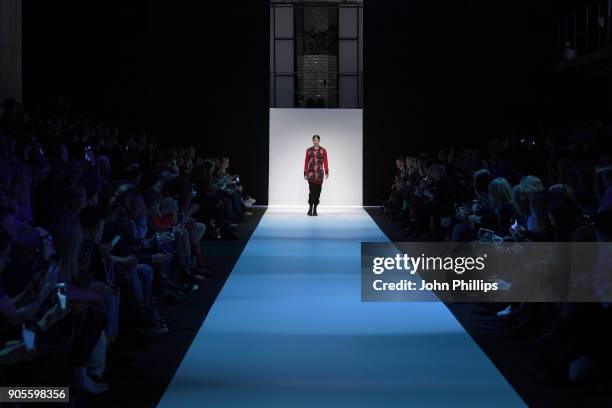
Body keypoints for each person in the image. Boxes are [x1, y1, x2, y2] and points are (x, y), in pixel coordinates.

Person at [303, 135, 329, 216]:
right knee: (312, 191)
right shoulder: (309, 150)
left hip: (320, 174)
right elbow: (306, 161)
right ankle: (310, 208)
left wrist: (327, 171)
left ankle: (315, 208)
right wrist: (305, 172)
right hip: (311, 174)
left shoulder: (323, 150)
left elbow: (325, 161)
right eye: (314, 140)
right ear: (312, 141)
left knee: (318, 192)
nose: (316, 141)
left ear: (319, 141)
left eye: (317, 140)